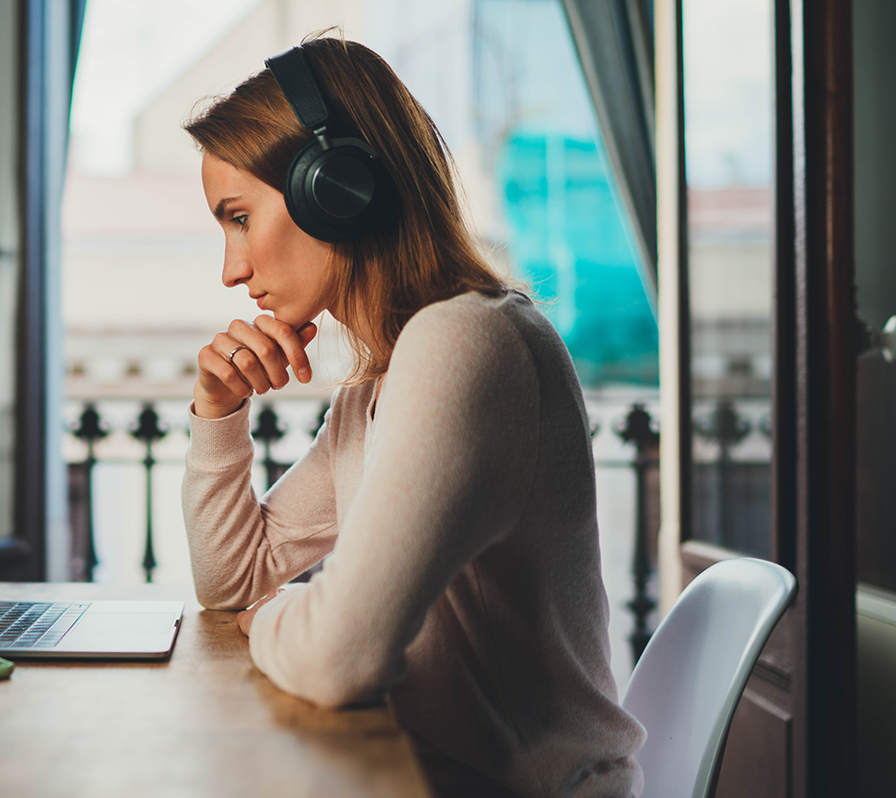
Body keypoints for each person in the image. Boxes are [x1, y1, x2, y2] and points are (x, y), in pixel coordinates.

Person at [179, 36, 646, 798]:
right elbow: (232, 579)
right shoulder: (377, 391)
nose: (231, 269)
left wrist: (281, 617)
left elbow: (337, 660)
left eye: (238, 218)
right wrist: (218, 411)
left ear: (337, 188)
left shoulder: (467, 339)